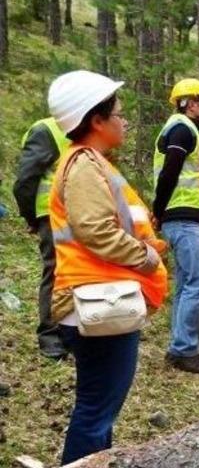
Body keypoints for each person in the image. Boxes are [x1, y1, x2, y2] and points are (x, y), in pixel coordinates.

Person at [46, 70, 169, 463]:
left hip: (104, 300)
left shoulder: (95, 163)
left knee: (100, 409)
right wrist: (147, 258)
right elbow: (95, 230)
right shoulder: (85, 165)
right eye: (117, 112)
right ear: (95, 120)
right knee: (96, 411)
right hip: (97, 303)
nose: (124, 119)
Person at [152, 78, 199, 374]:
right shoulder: (182, 128)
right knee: (198, 283)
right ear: (191, 104)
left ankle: (182, 345)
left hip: (183, 216)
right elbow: (170, 172)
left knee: (185, 285)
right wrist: (159, 209)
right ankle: (183, 349)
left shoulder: (185, 128)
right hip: (182, 217)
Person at [13, 116, 72, 359]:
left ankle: (73, 329)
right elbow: (25, 180)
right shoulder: (45, 130)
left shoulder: (84, 127)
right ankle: (50, 333)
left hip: (80, 212)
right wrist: (31, 218)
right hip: (52, 213)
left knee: (76, 271)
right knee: (56, 270)